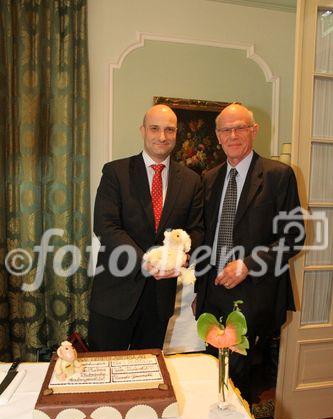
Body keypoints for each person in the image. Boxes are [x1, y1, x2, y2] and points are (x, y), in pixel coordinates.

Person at [194, 103, 304, 403]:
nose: (233, 135)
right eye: (226, 130)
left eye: (240, 127)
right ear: (217, 135)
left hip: (254, 293)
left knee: (242, 381)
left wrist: (248, 264)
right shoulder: (208, 178)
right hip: (212, 292)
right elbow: (205, 236)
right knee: (212, 372)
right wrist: (198, 290)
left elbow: (294, 236)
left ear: (253, 130)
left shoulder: (278, 175)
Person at [88, 104, 203, 351]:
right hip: (114, 295)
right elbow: (105, 225)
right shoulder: (115, 172)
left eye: (169, 130)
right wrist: (146, 261)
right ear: (143, 130)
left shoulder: (192, 181)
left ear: (176, 134)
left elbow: (196, 230)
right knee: (104, 371)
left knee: (148, 373)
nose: (162, 136)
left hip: (159, 301)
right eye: (155, 128)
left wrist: (181, 257)